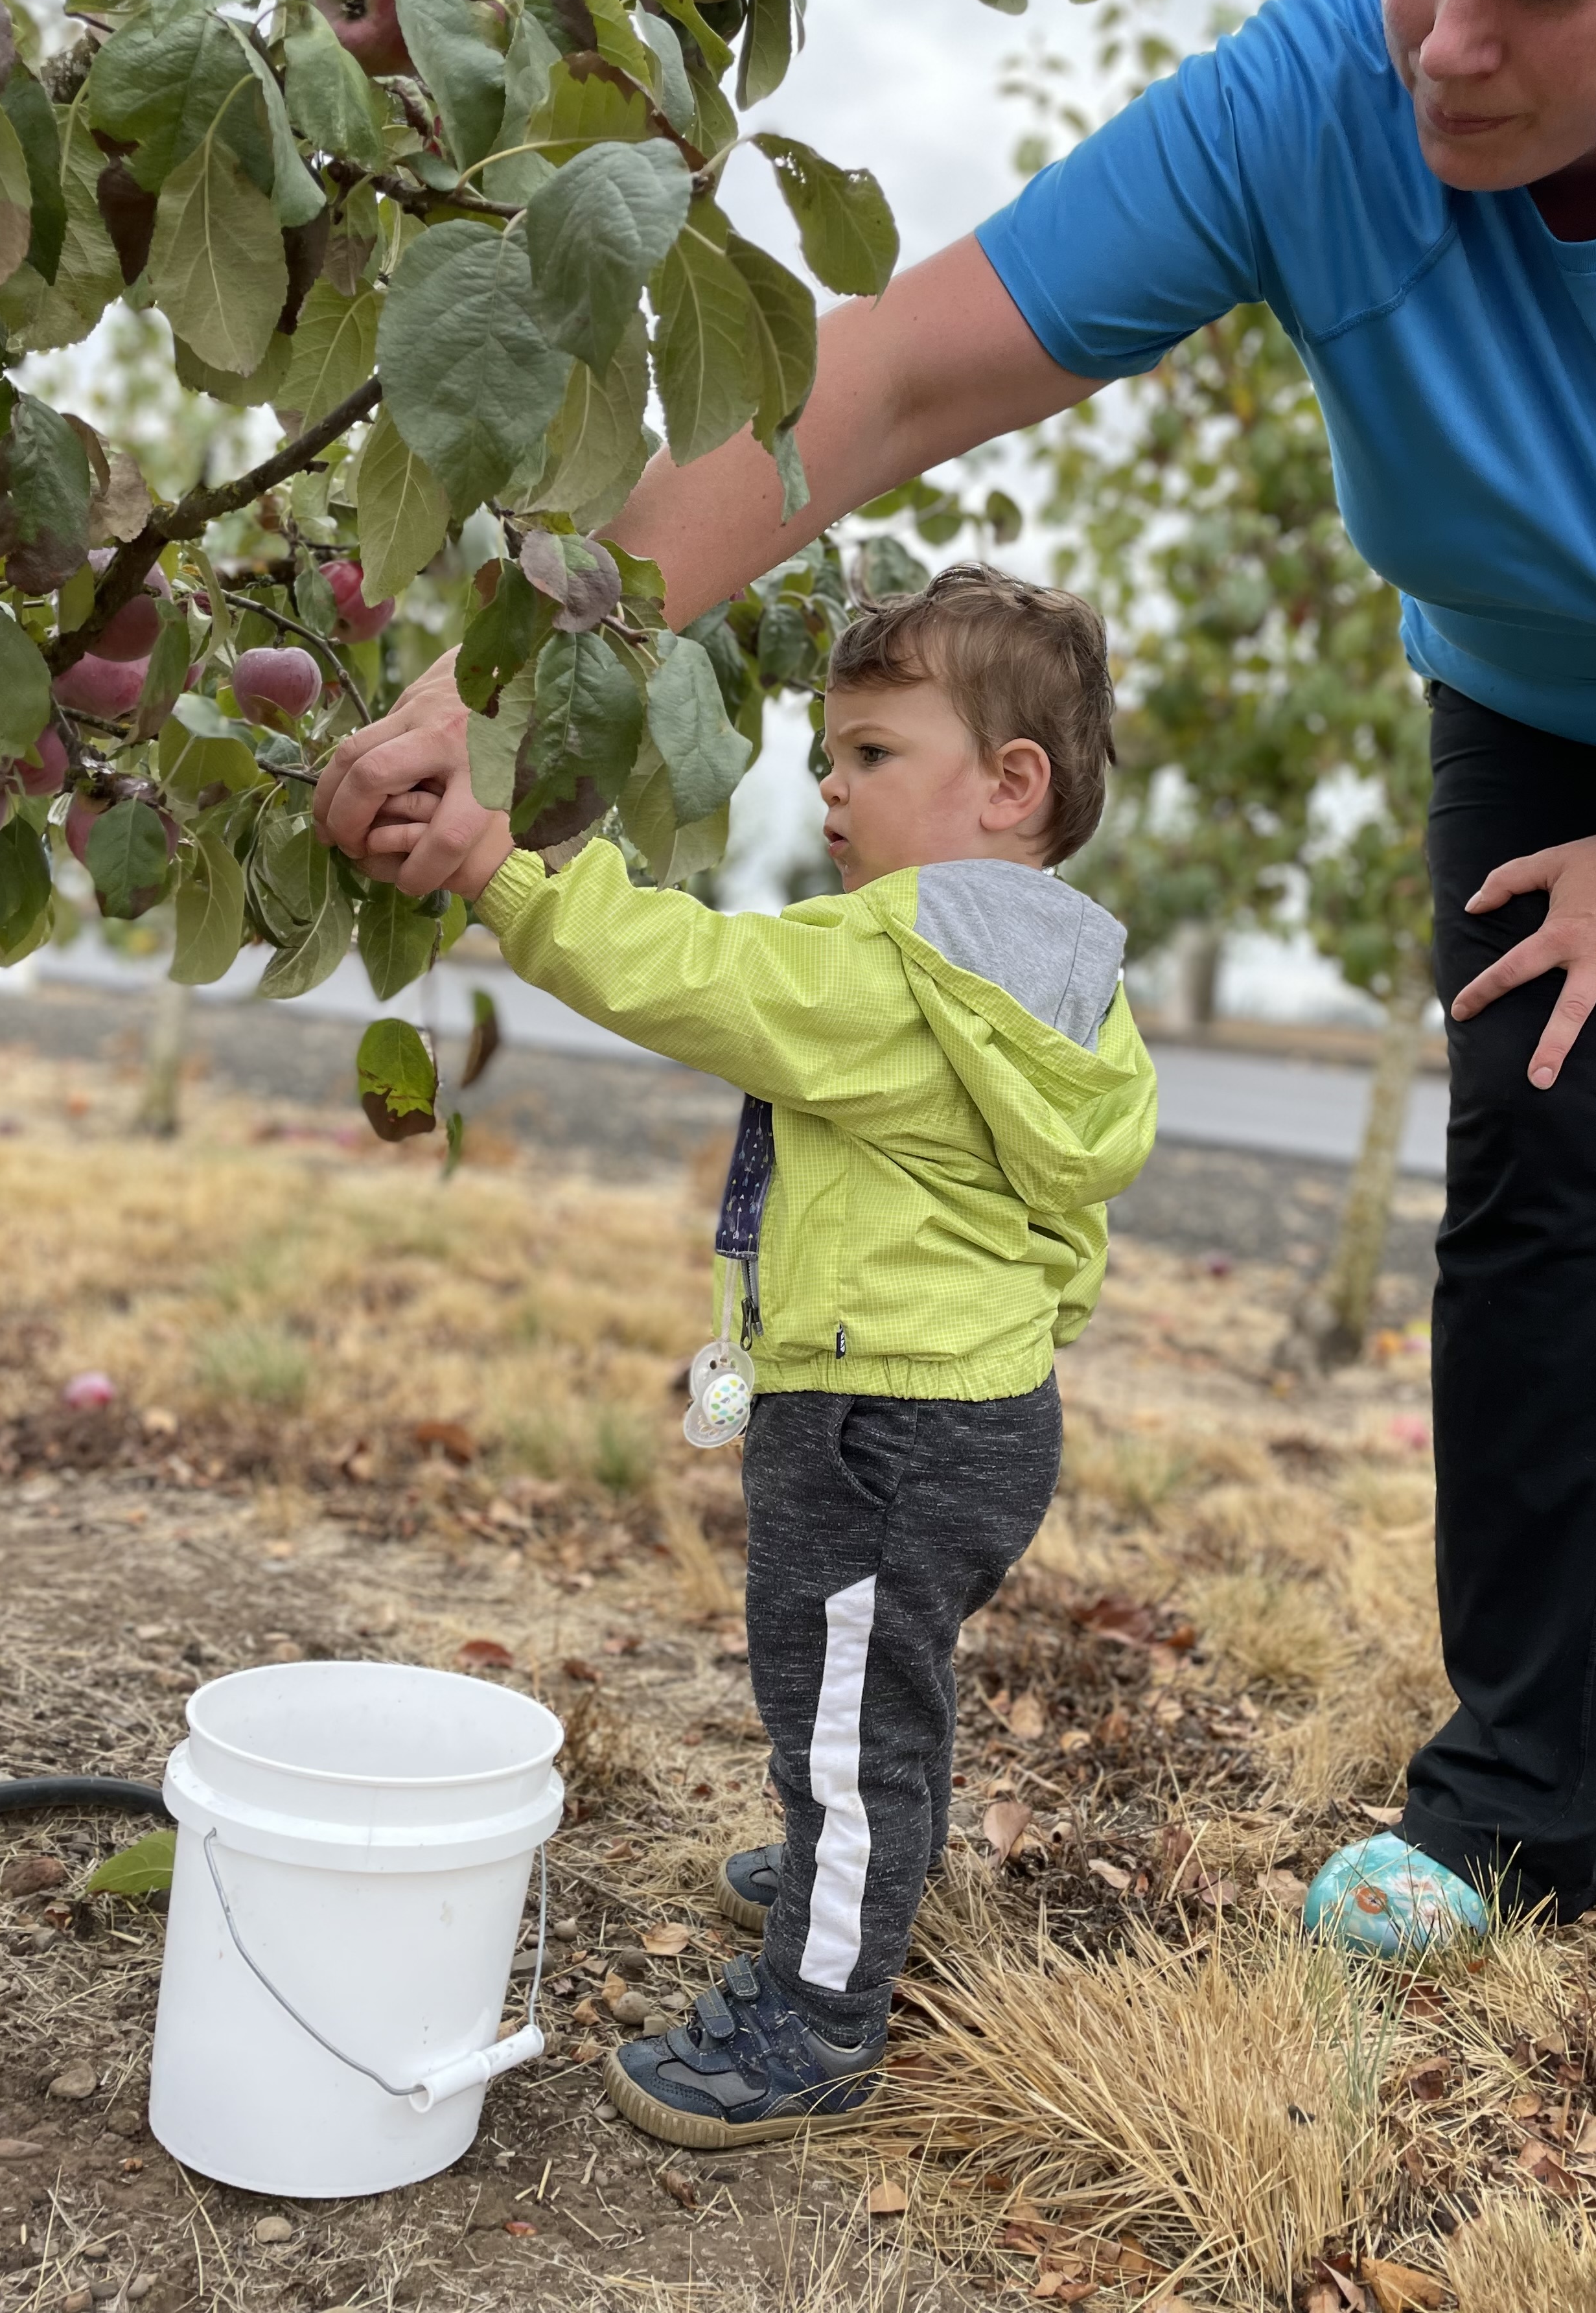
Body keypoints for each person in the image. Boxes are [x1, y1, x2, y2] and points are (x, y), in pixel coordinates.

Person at [321, 0, 1596, 1952]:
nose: (1447, 45)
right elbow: (894, 375)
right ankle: (1525, 1821)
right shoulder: (1324, 100)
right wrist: (510, 686)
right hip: (1546, 702)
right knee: (1547, 1200)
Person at [369, 568, 1155, 2141]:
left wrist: (513, 881)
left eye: (869, 753)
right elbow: (1067, 1223)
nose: (828, 784)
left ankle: (818, 2016)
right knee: (870, 1699)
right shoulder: (1065, 985)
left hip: (883, 1420)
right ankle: (833, 1879)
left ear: (1012, 786)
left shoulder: (907, 958)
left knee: (852, 1722)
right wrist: (1020, 1343)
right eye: (830, 751)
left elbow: (705, 982)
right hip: (974, 1408)